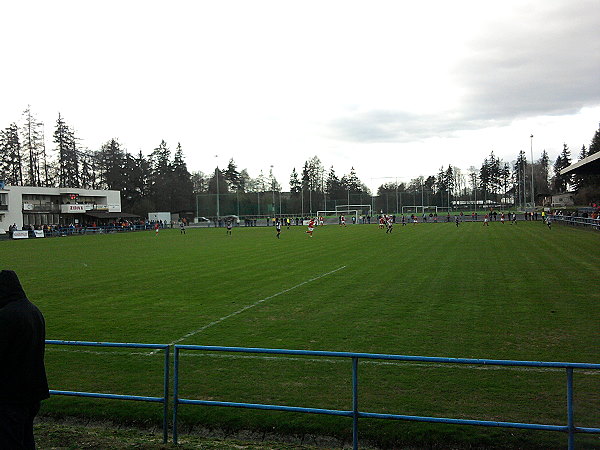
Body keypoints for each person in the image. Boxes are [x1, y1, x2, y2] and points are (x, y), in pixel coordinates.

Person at [0, 270, 49, 449]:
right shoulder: (34, 311)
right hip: (34, 391)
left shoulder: (6, 315)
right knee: (27, 438)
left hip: (11, 395)